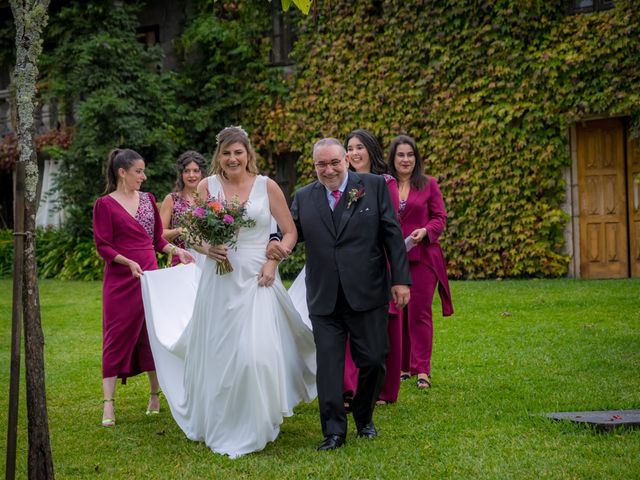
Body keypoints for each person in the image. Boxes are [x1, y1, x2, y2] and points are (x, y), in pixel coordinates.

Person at [140, 126, 316, 458]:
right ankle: (222, 421)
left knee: (255, 356)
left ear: (248, 154)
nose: (232, 158)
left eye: (238, 152)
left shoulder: (268, 186)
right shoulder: (208, 187)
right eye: (226, 153)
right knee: (221, 355)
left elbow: (290, 232)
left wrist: (275, 259)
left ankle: (257, 422)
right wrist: (208, 248)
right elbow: (191, 234)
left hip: (258, 278)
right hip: (219, 281)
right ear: (218, 157)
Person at [290, 137, 411, 451]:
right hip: (324, 297)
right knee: (329, 366)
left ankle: (364, 415)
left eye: (334, 162)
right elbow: (290, 233)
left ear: (345, 159)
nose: (328, 170)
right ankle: (333, 431)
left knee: (373, 361)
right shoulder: (304, 197)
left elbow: (392, 235)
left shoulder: (373, 185)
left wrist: (400, 280)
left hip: (367, 291)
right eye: (321, 164)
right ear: (314, 165)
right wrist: (274, 242)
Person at [93, 148, 194, 427]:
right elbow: (103, 246)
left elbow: (157, 241)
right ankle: (109, 404)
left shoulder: (149, 200)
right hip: (121, 278)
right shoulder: (105, 204)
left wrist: (178, 251)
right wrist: (127, 263)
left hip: (150, 275)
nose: (144, 176)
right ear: (122, 172)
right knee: (115, 335)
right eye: (138, 171)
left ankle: (154, 394)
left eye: (143, 170)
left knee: (152, 335)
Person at [387, 135, 454, 389]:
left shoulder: (429, 184)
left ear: (417, 158)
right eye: (401, 155)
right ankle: (403, 367)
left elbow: (440, 217)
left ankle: (422, 369)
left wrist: (426, 231)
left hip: (423, 257)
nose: (406, 160)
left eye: (410, 155)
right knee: (399, 313)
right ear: (393, 159)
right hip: (395, 258)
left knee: (420, 313)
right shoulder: (386, 185)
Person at [342, 129, 403, 407]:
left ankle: (385, 390)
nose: (355, 153)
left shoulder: (384, 183)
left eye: (359, 147)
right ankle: (349, 388)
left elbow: (391, 228)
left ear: (370, 150)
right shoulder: (340, 183)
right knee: (348, 326)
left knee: (385, 326)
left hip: (379, 260)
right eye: (350, 148)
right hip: (349, 264)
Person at [159, 150, 207, 266]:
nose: (191, 175)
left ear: (202, 173)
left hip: (208, 259)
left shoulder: (211, 200)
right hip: (182, 260)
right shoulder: (172, 199)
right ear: (181, 174)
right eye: (187, 171)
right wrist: (179, 230)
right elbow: (159, 235)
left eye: (196, 171)